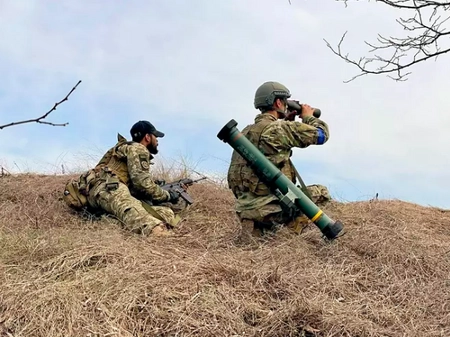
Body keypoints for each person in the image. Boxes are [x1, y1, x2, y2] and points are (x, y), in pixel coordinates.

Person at [226, 81, 332, 239]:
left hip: (244, 207)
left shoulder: (244, 133)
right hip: (270, 207)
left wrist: (287, 121)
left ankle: (262, 229)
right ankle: (289, 232)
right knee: (321, 192)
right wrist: (308, 117)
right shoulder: (279, 129)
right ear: (278, 102)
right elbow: (322, 134)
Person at [63, 120, 185, 236]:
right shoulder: (138, 148)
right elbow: (142, 183)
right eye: (155, 136)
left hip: (99, 193)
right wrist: (167, 195)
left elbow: (135, 184)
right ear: (147, 137)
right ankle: (159, 233)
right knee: (137, 214)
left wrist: (158, 189)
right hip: (109, 189)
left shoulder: (120, 149)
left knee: (168, 214)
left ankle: (103, 220)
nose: (157, 140)